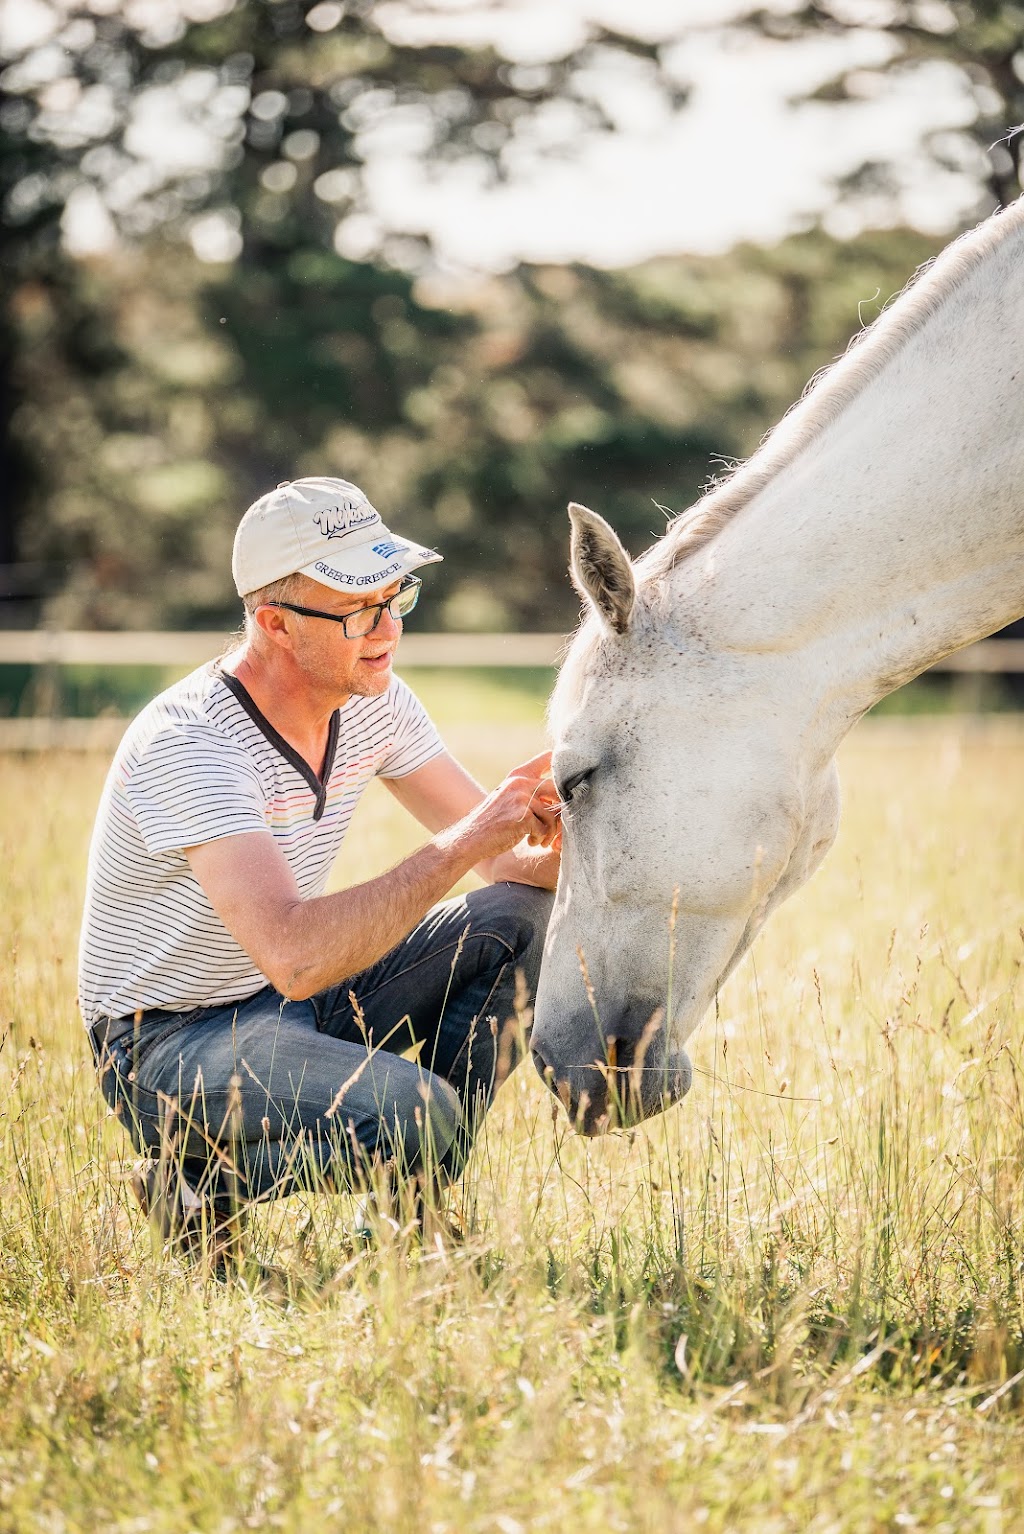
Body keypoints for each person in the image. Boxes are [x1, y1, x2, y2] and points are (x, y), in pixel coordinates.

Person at [79, 476, 561, 1258]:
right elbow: (297, 957)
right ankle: (201, 1182)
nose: (387, 630)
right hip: (164, 1043)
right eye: (358, 610)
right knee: (416, 1110)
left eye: (395, 597)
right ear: (275, 624)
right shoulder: (190, 743)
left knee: (517, 920)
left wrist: (596, 835)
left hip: (281, 1004)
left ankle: (406, 1222)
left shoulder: (375, 699)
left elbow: (508, 860)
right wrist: (473, 838)